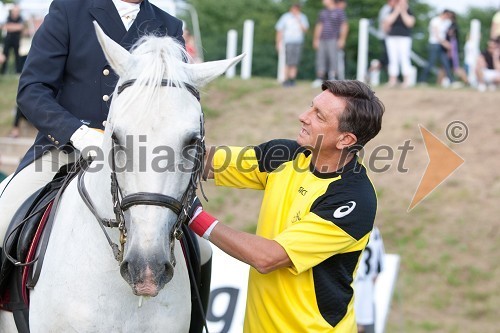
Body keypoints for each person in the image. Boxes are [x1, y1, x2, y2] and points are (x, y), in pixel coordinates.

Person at [187, 80, 385, 332]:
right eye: (310, 107)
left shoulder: (354, 198)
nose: (303, 117)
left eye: (318, 116)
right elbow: (203, 163)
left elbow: (267, 257)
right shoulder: (286, 153)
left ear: (345, 139)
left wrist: (194, 216)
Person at [354, 226, 385, 333]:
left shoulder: (347, 226)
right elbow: (378, 269)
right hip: (366, 291)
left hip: (349, 288)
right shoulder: (375, 231)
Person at [312, 0, 348, 87]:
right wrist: (316, 39)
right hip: (322, 39)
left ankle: (333, 77)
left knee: (333, 58)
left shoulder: (339, 12)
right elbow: (319, 25)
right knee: (320, 58)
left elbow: (344, 25)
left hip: (333, 39)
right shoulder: (323, 12)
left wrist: (342, 39)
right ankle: (320, 78)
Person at [275, 3, 309, 87]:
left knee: (294, 62)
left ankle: (292, 79)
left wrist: (299, 20)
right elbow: (279, 30)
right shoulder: (285, 17)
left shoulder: (302, 17)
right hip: (288, 42)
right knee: (288, 61)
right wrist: (278, 42)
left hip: (298, 42)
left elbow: (305, 29)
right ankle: (286, 79)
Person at [383, 0, 415, 88]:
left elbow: (410, 23)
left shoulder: (409, 11)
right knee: (393, 58)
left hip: (405, 38)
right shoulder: (391, 10)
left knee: (405, 58)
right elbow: (388, 21)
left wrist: (403, 11)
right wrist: (397, 11)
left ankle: (406, 80)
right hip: (392, 38)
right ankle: (392, 80)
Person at [420, 10, 455, 86]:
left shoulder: (446, 22)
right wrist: (445, 43)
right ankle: (422, 80)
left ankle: (452, 81)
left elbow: (449, 30)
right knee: (431, 63)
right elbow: (436, 35)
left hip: (441, 45)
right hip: (434, 44)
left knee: (446, 63)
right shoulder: (435, 21)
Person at [1, 5, 24, 74]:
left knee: (17, 56)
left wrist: (11, 26)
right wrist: (15, 27)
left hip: (16, 40)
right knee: (5, 55)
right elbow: (5, 26)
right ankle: (3, 71)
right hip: (8, 39)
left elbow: (20, 27)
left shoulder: (20, 18)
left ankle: (18, 71)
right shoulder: (8, 17)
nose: (16, 12)